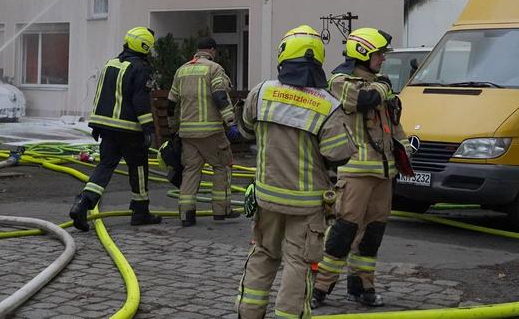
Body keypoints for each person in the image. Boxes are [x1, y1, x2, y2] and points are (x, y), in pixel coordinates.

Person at [236, 25, 355, 319]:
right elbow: (338, 153)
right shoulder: (327, 105)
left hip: (266, 199)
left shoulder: (261, 92)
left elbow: (245, 130)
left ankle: (248, 313)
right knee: (298, 263)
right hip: (305, 205)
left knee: (263, 256)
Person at [311, 27, 411, 309]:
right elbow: (363, 99)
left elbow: (391, 123)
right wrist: (384, 87)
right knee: (343, 232)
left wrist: (404, 146)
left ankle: (362, 284)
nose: (382, 59)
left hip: (383, 173)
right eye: (379, 54)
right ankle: (319, 288)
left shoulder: (380, 84)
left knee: (372, 234)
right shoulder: (341, 81)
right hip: (354, 172)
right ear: (364, 54)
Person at [69, 27, 163, 230]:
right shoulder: (140, 68)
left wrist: (95, 124)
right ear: (144, 46)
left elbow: (101, 94)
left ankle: (83, 203)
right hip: (129, 130)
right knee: (138, 168)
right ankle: (140, 211)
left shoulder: (110, 64)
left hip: (107, 129)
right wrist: (148, 128)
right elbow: (140, 100)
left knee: (105, 167)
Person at [168, 36, 241, 226]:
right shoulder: (214, 69)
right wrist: (231, 121)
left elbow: (171, 102)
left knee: (191, 170)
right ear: (212, 50)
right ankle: (221, 210)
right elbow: (219, 96)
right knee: (222, 166)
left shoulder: (181, 70)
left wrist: (172, 126)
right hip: (211, 132)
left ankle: (186, 214)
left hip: (187, 134)